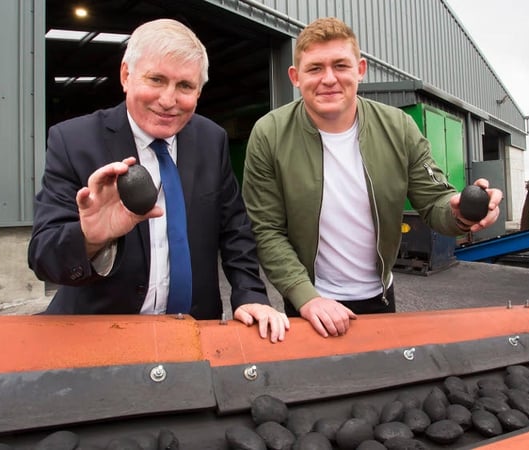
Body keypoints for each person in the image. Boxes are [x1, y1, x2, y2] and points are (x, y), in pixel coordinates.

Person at [28, 18, 289, 342]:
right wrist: (89, 238)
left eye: (185, 86)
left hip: (194, 332)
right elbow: (42, 256)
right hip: (100, 336)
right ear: (126, 75)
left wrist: (250, 294)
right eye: (156, 79)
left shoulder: (212, 139)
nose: (168, 100)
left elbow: (235, 227)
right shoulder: (73, 141)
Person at [242, 17, 502, 338]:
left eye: (341, 65)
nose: (329, 79)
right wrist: (306, 297)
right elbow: (267, 230)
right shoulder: (269, 134)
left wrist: (459, 212)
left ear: (360, 70)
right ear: (295, 77)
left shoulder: (399, 127)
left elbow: (435, 202)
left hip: (379, 297)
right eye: (314, 68)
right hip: (310, 303)